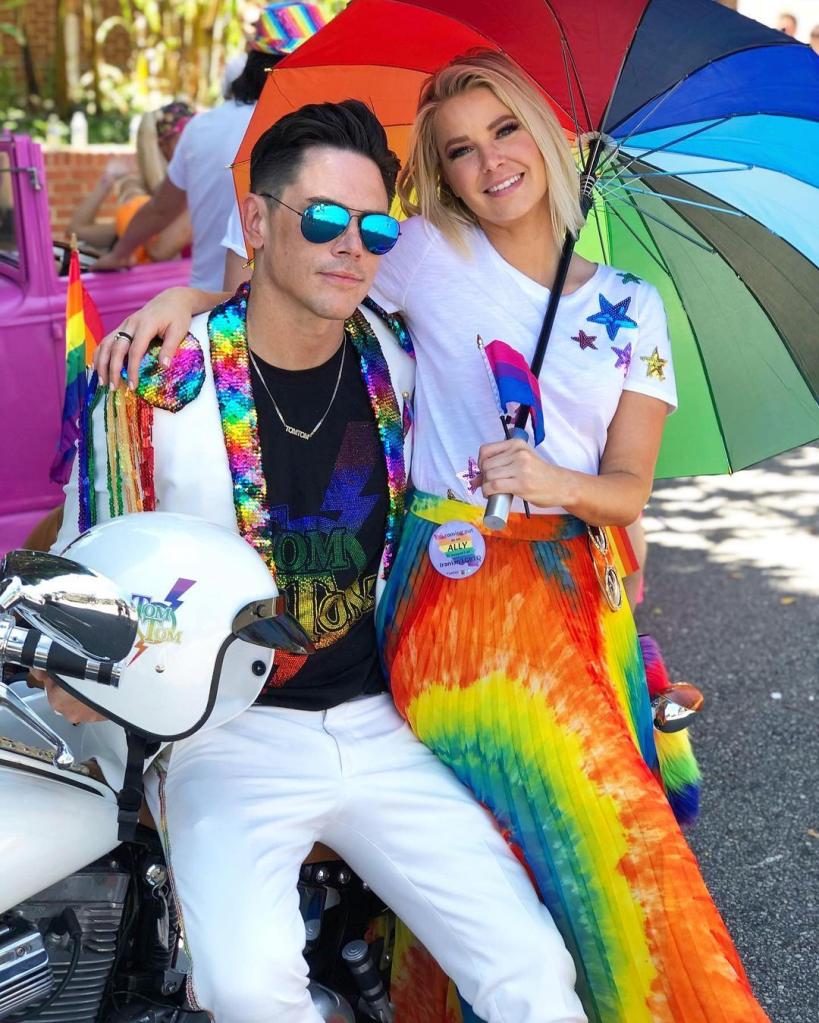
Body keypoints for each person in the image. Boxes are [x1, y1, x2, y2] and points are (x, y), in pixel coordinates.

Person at [93, 52, 769, 1023]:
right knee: (622, 841)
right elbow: (290, 275)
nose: (489, 162)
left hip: (573, 592)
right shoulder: (425, 260)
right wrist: (184, 302)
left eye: (504, 132)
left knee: (543, 884)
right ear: (440, 175)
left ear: (547, 137)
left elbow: (628, 491)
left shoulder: (632, 307)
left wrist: (556, 483)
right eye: (459, 149)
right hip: (455, 603)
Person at [49, 98, 587, 1023]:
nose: (352, 246)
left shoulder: (402, 362)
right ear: (255, 223)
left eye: (375, 226)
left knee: (534, 971)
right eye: (325, 219)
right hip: (224, 734)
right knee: (250, 988)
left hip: (384, 723)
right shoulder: (155, 381)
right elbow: (82, 560)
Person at [92, 22, 285, 287]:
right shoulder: (298, 129)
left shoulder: (201, 127)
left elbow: (160, 209)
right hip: (271, 313)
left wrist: (119, 254)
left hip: (205, 309)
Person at [68, 102, 194, 262]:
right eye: (186, 139)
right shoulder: (139, 197)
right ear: (164, 145)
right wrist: (107, 180)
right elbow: (75, 231)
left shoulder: (197, 191)